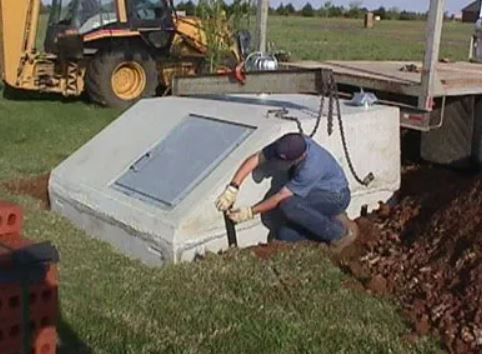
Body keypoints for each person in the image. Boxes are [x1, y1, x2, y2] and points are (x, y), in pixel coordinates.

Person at [215, 132, 358, 250]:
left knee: (288, 205)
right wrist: (233, 187)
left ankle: (340, 233)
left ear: (299, 158)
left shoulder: (311, 168)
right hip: (311, 195)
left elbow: (279, 198)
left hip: (335, 196)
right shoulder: (288, 143)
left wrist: (249, 212)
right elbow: (257, 158)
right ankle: (331, 220)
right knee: (284, 236)